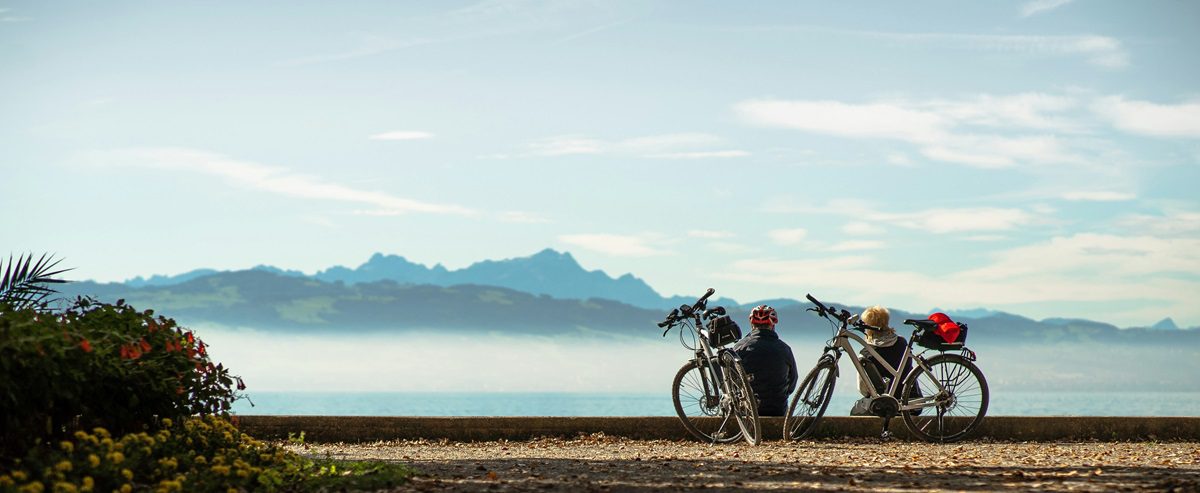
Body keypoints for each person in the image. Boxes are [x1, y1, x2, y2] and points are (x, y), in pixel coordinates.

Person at [733, 305, 798, 416]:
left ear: (752, 324)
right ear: (772, 324)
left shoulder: (740, 347)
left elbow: (731, 381)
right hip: (778, 411)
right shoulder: (784, 349)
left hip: (747, 413)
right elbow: (792, 382)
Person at [856, 305, 912, 397]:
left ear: (868, 327)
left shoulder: (865, 354)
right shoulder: (902, 343)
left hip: (884, 405)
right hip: (910, 399)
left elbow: (863, 390)